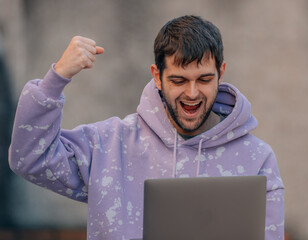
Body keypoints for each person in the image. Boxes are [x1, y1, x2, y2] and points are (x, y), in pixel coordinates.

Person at [9, 15, 284, 240]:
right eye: (178, 80)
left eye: (204, 79)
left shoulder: (257, 159)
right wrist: (56, 79)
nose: (192, 93)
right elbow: (30, 158)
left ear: (221, 73)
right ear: (157, 76)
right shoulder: (108, 145)